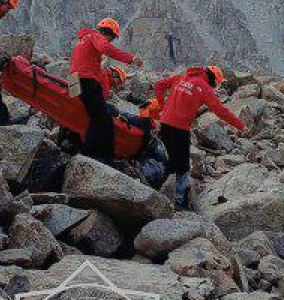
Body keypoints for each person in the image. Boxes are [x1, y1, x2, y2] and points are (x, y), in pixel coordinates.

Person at [153, 65, 245, 209]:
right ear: (213, 79)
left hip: (164, 124)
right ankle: (180, 203)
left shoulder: (181, 77)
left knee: (165, 158)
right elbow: (220, 110)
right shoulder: (204, 87)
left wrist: (161, 106)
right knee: (182, 167)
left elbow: (158, 86)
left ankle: (154, 187)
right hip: (180, 129)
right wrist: (240, 125)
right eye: (214, 85)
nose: (213, 87)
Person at [70, 18, 142, 163]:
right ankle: (99, 157)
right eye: (112, 38)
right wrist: (131, 59)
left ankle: (80, 148)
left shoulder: (83, 39)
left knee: (89, 116)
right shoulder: (96, 36)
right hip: (87, 81)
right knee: (102, 120)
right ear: (108, 33)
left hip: (74, 81)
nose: (111, 41)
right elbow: (105, 48)